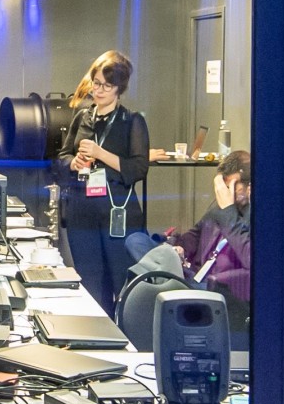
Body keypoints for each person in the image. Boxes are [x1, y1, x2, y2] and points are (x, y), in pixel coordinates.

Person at [53, 49, 151, 309]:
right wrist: (73, 163)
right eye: (96, 83)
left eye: (107, 86)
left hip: (117, 211)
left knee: (120, 282)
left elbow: (139, 169)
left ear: (119, 88)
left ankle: (121, 328)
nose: (99, 90)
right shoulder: (82, 117)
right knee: (90, 282)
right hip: (82, 212)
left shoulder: (132, 121)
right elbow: (62, 157)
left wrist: (100, 154)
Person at [166, 150, 250, 323]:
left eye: (232, 186)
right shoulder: (219, 208)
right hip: (195, 274)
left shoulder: (253, 214)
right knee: (136, 241)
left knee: (158, 286)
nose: (226, 193)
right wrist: (179, 246)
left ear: (250, 186)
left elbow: (250, 257)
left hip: (218, 287)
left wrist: (228, 213)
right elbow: (194, 235)